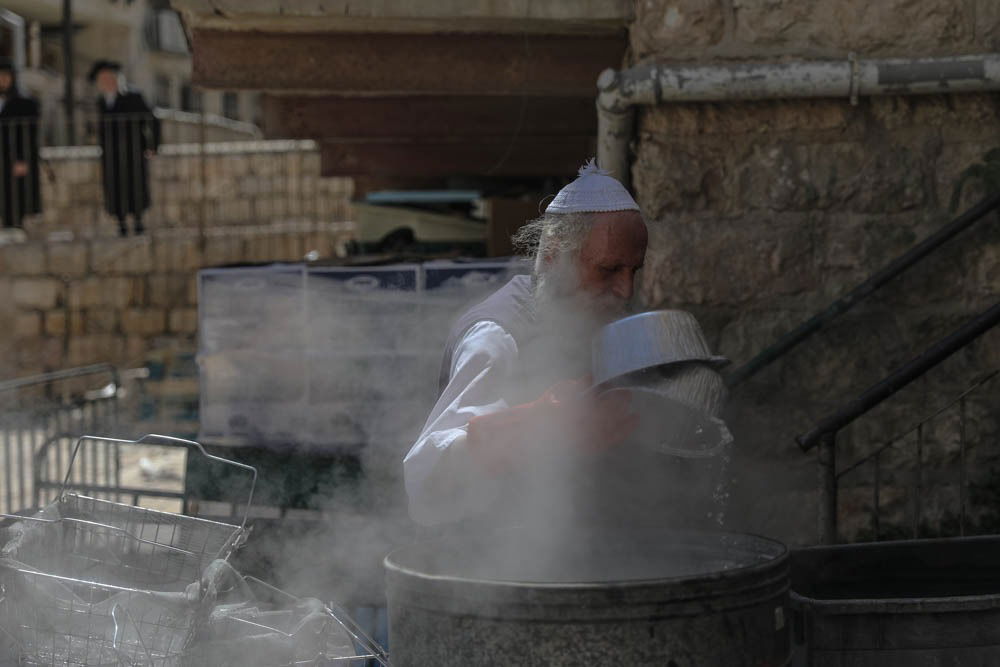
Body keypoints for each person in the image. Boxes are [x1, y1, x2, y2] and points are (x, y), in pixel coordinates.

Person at [404, 159, 649, 527]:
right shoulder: (497, 336)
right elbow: (426, 480)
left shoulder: (590, 322)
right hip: (497, 568)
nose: (626, 289)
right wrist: (538, 428)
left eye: (634, 271)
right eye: (609, 270)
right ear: (553, 256)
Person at [88, 60, 160, 237]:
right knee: (114, 187)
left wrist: (152, 146)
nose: (105, 82)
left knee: (135, 185)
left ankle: (138, 221)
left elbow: (152, 120)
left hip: (132, 152)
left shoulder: (133, 97)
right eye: (101, 79)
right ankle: (120, 223)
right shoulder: (102, 101)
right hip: (111, 154)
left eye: (108, 78)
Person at [0, 59, 41, 231]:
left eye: (5, 76)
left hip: (13, 156)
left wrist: (22, 158)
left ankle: (15, 225)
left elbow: (29, 134)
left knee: (15, 195)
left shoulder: (24, 103)